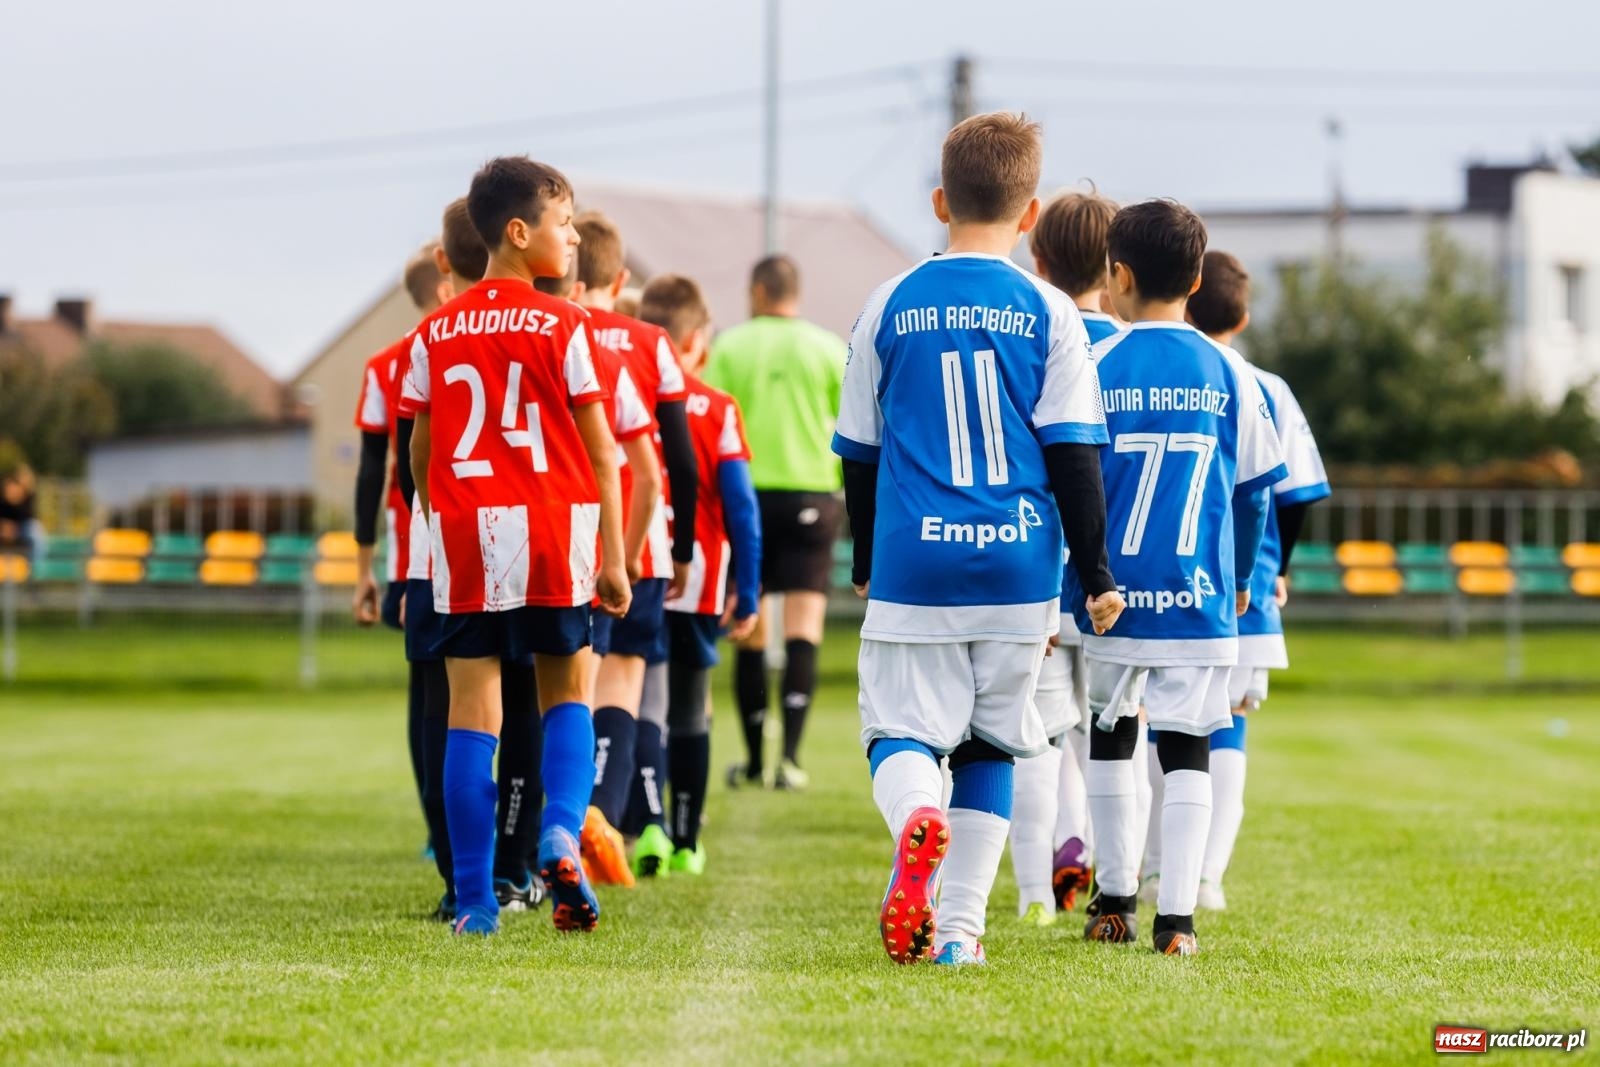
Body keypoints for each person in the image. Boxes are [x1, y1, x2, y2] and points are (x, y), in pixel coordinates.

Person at [834, 112, 1124, 967]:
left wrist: (863, 558)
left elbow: (858, 452)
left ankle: (917, 813)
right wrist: (1096, 571)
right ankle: (960, 935)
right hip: (1019, 563)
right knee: (994, 740)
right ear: (1030, 214)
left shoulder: (887, 303)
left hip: (915, 560)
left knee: (898, 729)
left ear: (938, 201)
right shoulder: (1048, 311)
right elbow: (1074, 453)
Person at [401, 157, 631, 936]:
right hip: (551, 531)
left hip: (466, 533)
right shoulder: (567, 325)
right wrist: (614, 554)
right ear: (519, 231)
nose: (572, 238)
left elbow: (418, 456)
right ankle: (559, 832)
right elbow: (604, 453)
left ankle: (474, 903)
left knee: (472, 715)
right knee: (567, 694)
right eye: (565, 225)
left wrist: (445, 522)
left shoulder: (431, 333)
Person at [1073, 200, 1287, 957]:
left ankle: (1115, 898)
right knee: (1191, 745)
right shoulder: (1231, 370)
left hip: (1111, 597)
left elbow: (1073, 478)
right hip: (1200, 596)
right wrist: (1237, 580)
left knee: (1111, 737)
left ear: (1117, 276)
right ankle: (1179, 922)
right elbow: (1258, 487)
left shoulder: (1094, 366)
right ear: (1197, 278)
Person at [1139, 250, 1330, 911]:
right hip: (1243, 591)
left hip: (1169, 581)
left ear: (1187, 299)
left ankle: (1160, 869)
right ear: (1244, 316)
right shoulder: (1266, 386)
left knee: (1163, 727)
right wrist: (1275, 567)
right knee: (1228, 730)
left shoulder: (1171, 369)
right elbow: (1297, 492)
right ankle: (1207, 876)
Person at [395, 200, 549, 921]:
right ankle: (517, 869)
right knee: (526, 707)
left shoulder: (425, 337)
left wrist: (430, 517)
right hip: (532, 539)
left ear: (444, 261)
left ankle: (465, 886)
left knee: (446, 713)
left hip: (446, 544)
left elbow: (407, 458)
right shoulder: (551, 325)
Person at [1004, 188, 1123, 925]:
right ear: (1116, 269)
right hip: (1115, 580)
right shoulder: (1132, 347)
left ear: (1038, 259)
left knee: (1038, 737)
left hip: (1043, 572)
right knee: (1111, 733)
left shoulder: (1030, 341)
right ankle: (1116, 874)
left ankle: (1029, 896)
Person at [570, 212, 700, 884]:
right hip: (638, 544)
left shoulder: (554, 329)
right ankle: (600, 810)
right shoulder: (648, 341)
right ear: (620, 280)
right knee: (622, 684)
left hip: (564, 542)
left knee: (567, 689)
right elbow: (676, 456)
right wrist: (681, 547)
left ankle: (564, 824)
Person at [634, 273, 762, 877]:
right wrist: (750, 588)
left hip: (634, 570)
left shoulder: (620, 399)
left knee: (643, 706)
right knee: (690, 711)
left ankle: (649, 827)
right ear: (696, 342)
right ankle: (687, 839)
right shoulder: (716, 408)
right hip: (699, 581)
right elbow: (742, 508)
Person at [705, 254, 845, 790]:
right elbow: (851, 426)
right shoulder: (828, 347)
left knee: (750, 627)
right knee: (804, 626)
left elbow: (715, 416)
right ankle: (790, 758)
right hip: (813, 493)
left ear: (759, 291)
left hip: (749, 497)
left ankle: (755, 759)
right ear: (795, 292)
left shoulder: (732, 345)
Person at [351, 243, 450, 848]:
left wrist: (365, 567)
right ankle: (491, 831)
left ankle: (440, 829)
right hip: (484, 543)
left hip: (411, 552)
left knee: (428, 689)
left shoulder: (385, 365)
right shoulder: (478, 341)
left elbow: (371, 474)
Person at [0, 459, 41, 563]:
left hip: (19, 531)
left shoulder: (26, 499)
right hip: (4, 531)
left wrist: (14, 527)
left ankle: (36, 566)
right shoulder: (3, 500)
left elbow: (28, 517)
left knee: (34, 529)